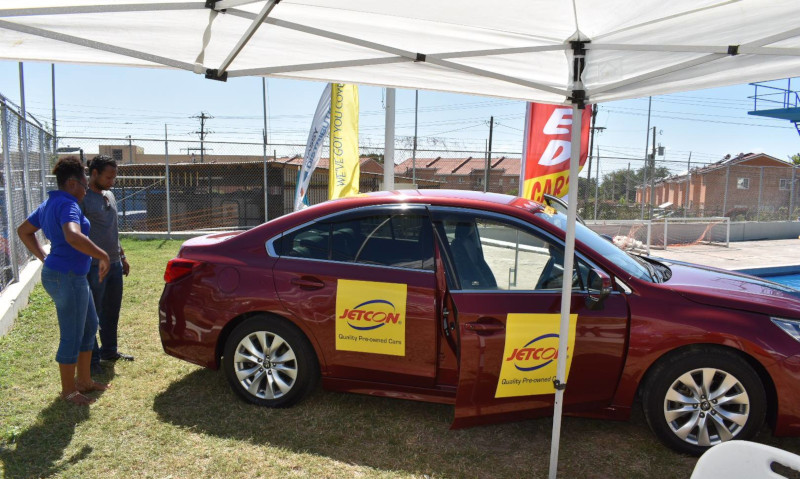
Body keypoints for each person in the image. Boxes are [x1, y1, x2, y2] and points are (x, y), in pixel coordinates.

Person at [17, 156, 111, 405]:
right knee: (72, 333)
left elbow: (23, 230)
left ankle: (85, 381)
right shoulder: (68, 204)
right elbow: (72, 235)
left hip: (69, 275)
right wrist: (101, 254)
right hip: (67, 277)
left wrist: (43, 258)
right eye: (83, 182)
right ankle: (69, 391)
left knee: (90, 326)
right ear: (71, 183)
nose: (85, 187)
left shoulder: (51, 203)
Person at [83, 155, 133, 373]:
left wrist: (122, 256)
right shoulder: (82, 198)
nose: (112, 180)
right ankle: (92, 362)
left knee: (112, 311)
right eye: (108, 176)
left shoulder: (110, 195)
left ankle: (109, 351)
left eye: (114, 176)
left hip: (114, 263)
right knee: (92, 314)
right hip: (94, 266)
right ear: (94, 174)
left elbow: (113, 230)